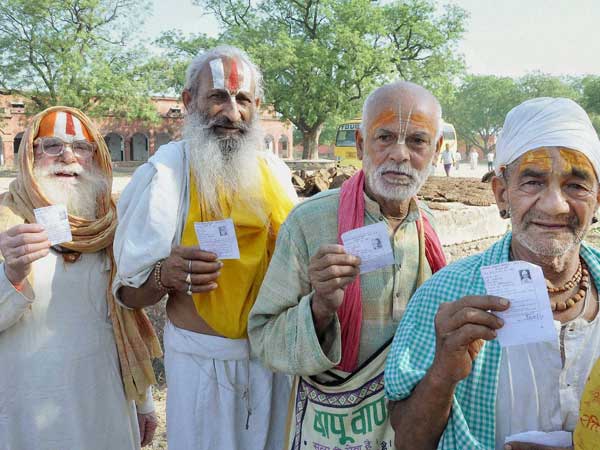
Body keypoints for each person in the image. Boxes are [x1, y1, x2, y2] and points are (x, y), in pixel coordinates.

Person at [384, 97, 600, 450]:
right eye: (532, 182)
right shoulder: (445, 295)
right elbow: (409, 441)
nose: (555, 204)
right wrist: (444, 371)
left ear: (598, 199)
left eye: (576, 185)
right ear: (502, 195)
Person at [112, 45, 298, 450]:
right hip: (203, 369)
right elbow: (127, 293)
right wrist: (164, 274)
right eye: (217, 96)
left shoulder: (276, 173)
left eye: (242, 99)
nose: (231, 113)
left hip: (275, 363)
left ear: (257, 106)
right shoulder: (165, 174)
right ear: (187, 102)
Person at [248, 81, 447, 449]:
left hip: (413, 425)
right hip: (335, 429)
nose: (400, 155)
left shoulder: (430, 226)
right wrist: (321, 308)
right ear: (360, 145)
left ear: (436, 150)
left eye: (417, 141)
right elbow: (265, 337)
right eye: (384, 137)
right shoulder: (309, 222)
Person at [0, 106, 161, 449]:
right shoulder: (6, 220)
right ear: (31, 153)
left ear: (96, 155)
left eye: (81, 147)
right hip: (26, 410)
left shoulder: (111, 224)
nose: (68, 157)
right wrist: (11, 272)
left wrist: (144, 403)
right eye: (52, 146)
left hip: (104, 405)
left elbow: (127, 318)